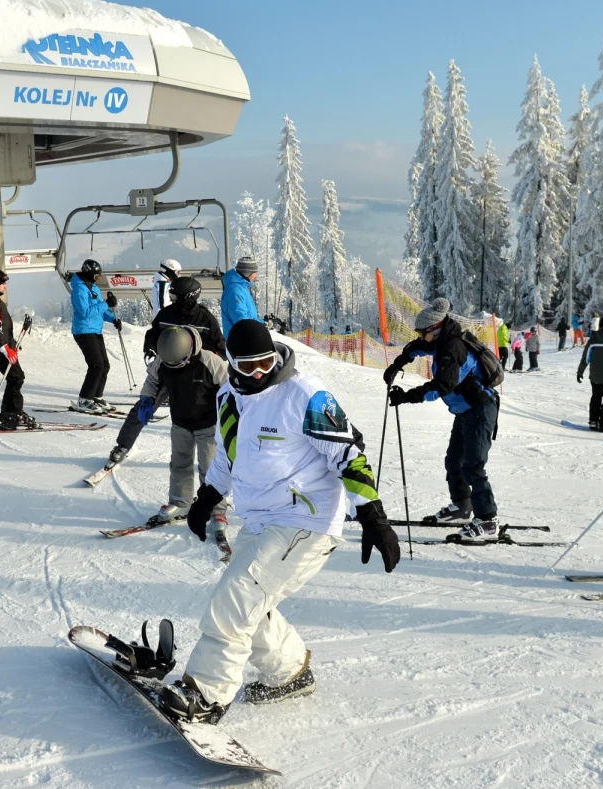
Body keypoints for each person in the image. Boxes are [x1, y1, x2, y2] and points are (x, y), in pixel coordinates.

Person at [158, 319, 399, 724]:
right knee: (250, 601)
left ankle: (206, 694)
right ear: (232, 364)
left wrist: (373, 515)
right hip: (260, 519)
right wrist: (206, 498)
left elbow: (349, 454)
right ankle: (289, 673)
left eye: (266, 362)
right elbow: (230, 458)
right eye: (249, 366)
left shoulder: (304, 395)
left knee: (236, 597)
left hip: (305, 519)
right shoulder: (228, 399)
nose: (260, 373)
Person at [384, 298, 501, 540]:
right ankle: (461, 507)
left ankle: (488, 521)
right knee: (453, 461)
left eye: (421, 331)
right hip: (465, 410)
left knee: (473, 466)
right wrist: (397, 364)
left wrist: (407, 396)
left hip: (480, 409)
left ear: (434, 329)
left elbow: (443, 386)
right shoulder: (441, 340)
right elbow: (417, 347)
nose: (419, 335)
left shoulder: (452, 348)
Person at [116, 326, 229, 524]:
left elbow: (228, 388)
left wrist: (230, 415)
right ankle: (180, 501)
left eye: (176, 364)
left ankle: (215, 508)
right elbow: (152, 380)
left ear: (188, 353)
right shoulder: (163, 360)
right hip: (180, 423)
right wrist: (147, 399)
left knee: (210, 468)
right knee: (180, 464)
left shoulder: (210, 361)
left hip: (208, 425)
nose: (171, 367)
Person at [0, 268, 38, 430]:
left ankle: (9, 411)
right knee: (16, 378)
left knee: (14, 378)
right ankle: (12, 413)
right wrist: (5, 348)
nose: (5, 286)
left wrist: (12, 343)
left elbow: (2, 326)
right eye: (3, 283)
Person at [70, 259, 118, 413]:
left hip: (95, 330)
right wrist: (106, 303)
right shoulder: (79, 289)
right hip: (83, 331)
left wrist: (113, 319)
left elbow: (99, 311)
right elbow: (85, 312)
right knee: (96, 365)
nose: (97, 278)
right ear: (88, 273)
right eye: (96, 276)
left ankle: (96, 396)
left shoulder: (94, 288)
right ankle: (84, 399)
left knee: (104, 365)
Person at [143, 276, 224, 359]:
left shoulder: (205, 319)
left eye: (174, 297)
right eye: (170, 295)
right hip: (168, 365)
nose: (171, 299)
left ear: (188, 298)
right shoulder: (165, 314)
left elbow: (220, 349)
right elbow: (152, 334)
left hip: (197, 368)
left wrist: (202, 351)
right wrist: (150, 349)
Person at [220, 256, 259, 336]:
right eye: (254, 272)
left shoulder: (241, 288)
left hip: (244, 338)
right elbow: (241, 321)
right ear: (247, 273)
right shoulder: (235, 291)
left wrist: (263, 322)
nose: (256, 276)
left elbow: (248, 317)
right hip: (239, 341)